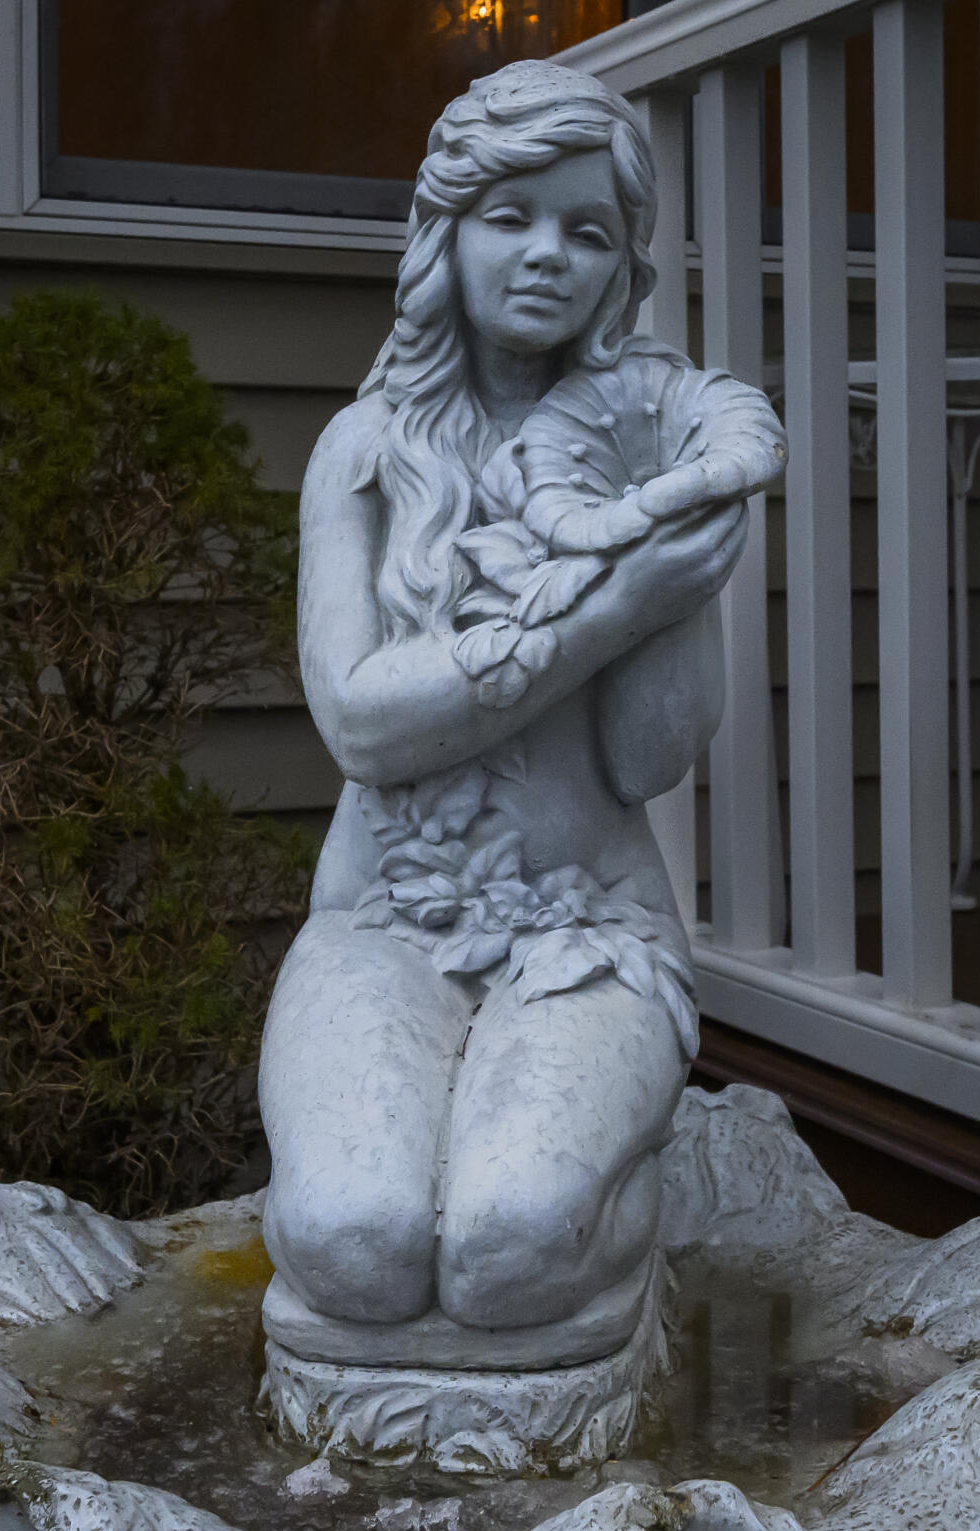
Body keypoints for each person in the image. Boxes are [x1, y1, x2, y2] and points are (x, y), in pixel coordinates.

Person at [260, 60, 779, 1358]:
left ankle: (599, 1200)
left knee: (509, 1250)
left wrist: (668, 527)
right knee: (351, 1249)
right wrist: (603, 611)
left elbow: (647, 757)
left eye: (586, 231)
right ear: (448, 232)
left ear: (621, 271)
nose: (547, 254)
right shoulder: (364, 452)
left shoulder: (650, 451)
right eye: (512, 215)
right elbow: (364, 726)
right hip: (381, 921)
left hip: (585, 929)